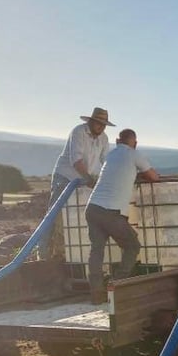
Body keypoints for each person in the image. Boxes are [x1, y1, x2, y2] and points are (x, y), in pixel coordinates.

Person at [85, 128, 161, 303]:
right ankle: (117, 287)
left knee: (97, 250)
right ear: (134, 142)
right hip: (111, 211)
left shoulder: (111, 156)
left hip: (92, 208)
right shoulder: (134, 155)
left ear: (118, 141)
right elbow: (154, 177)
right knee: (132, 246)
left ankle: (96, 293)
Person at [43, 106, 114, 260]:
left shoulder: (104, 138)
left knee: (76, 218)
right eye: (98, 123)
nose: (101, 127)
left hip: (85, 181)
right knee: (54, 215)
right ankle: (43, 254)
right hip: (66, 177)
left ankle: (66, 254)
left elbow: (106, 161)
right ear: (91, 121)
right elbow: (76, 160)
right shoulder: (79, 132)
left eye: (104, 125)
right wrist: (89, 179)